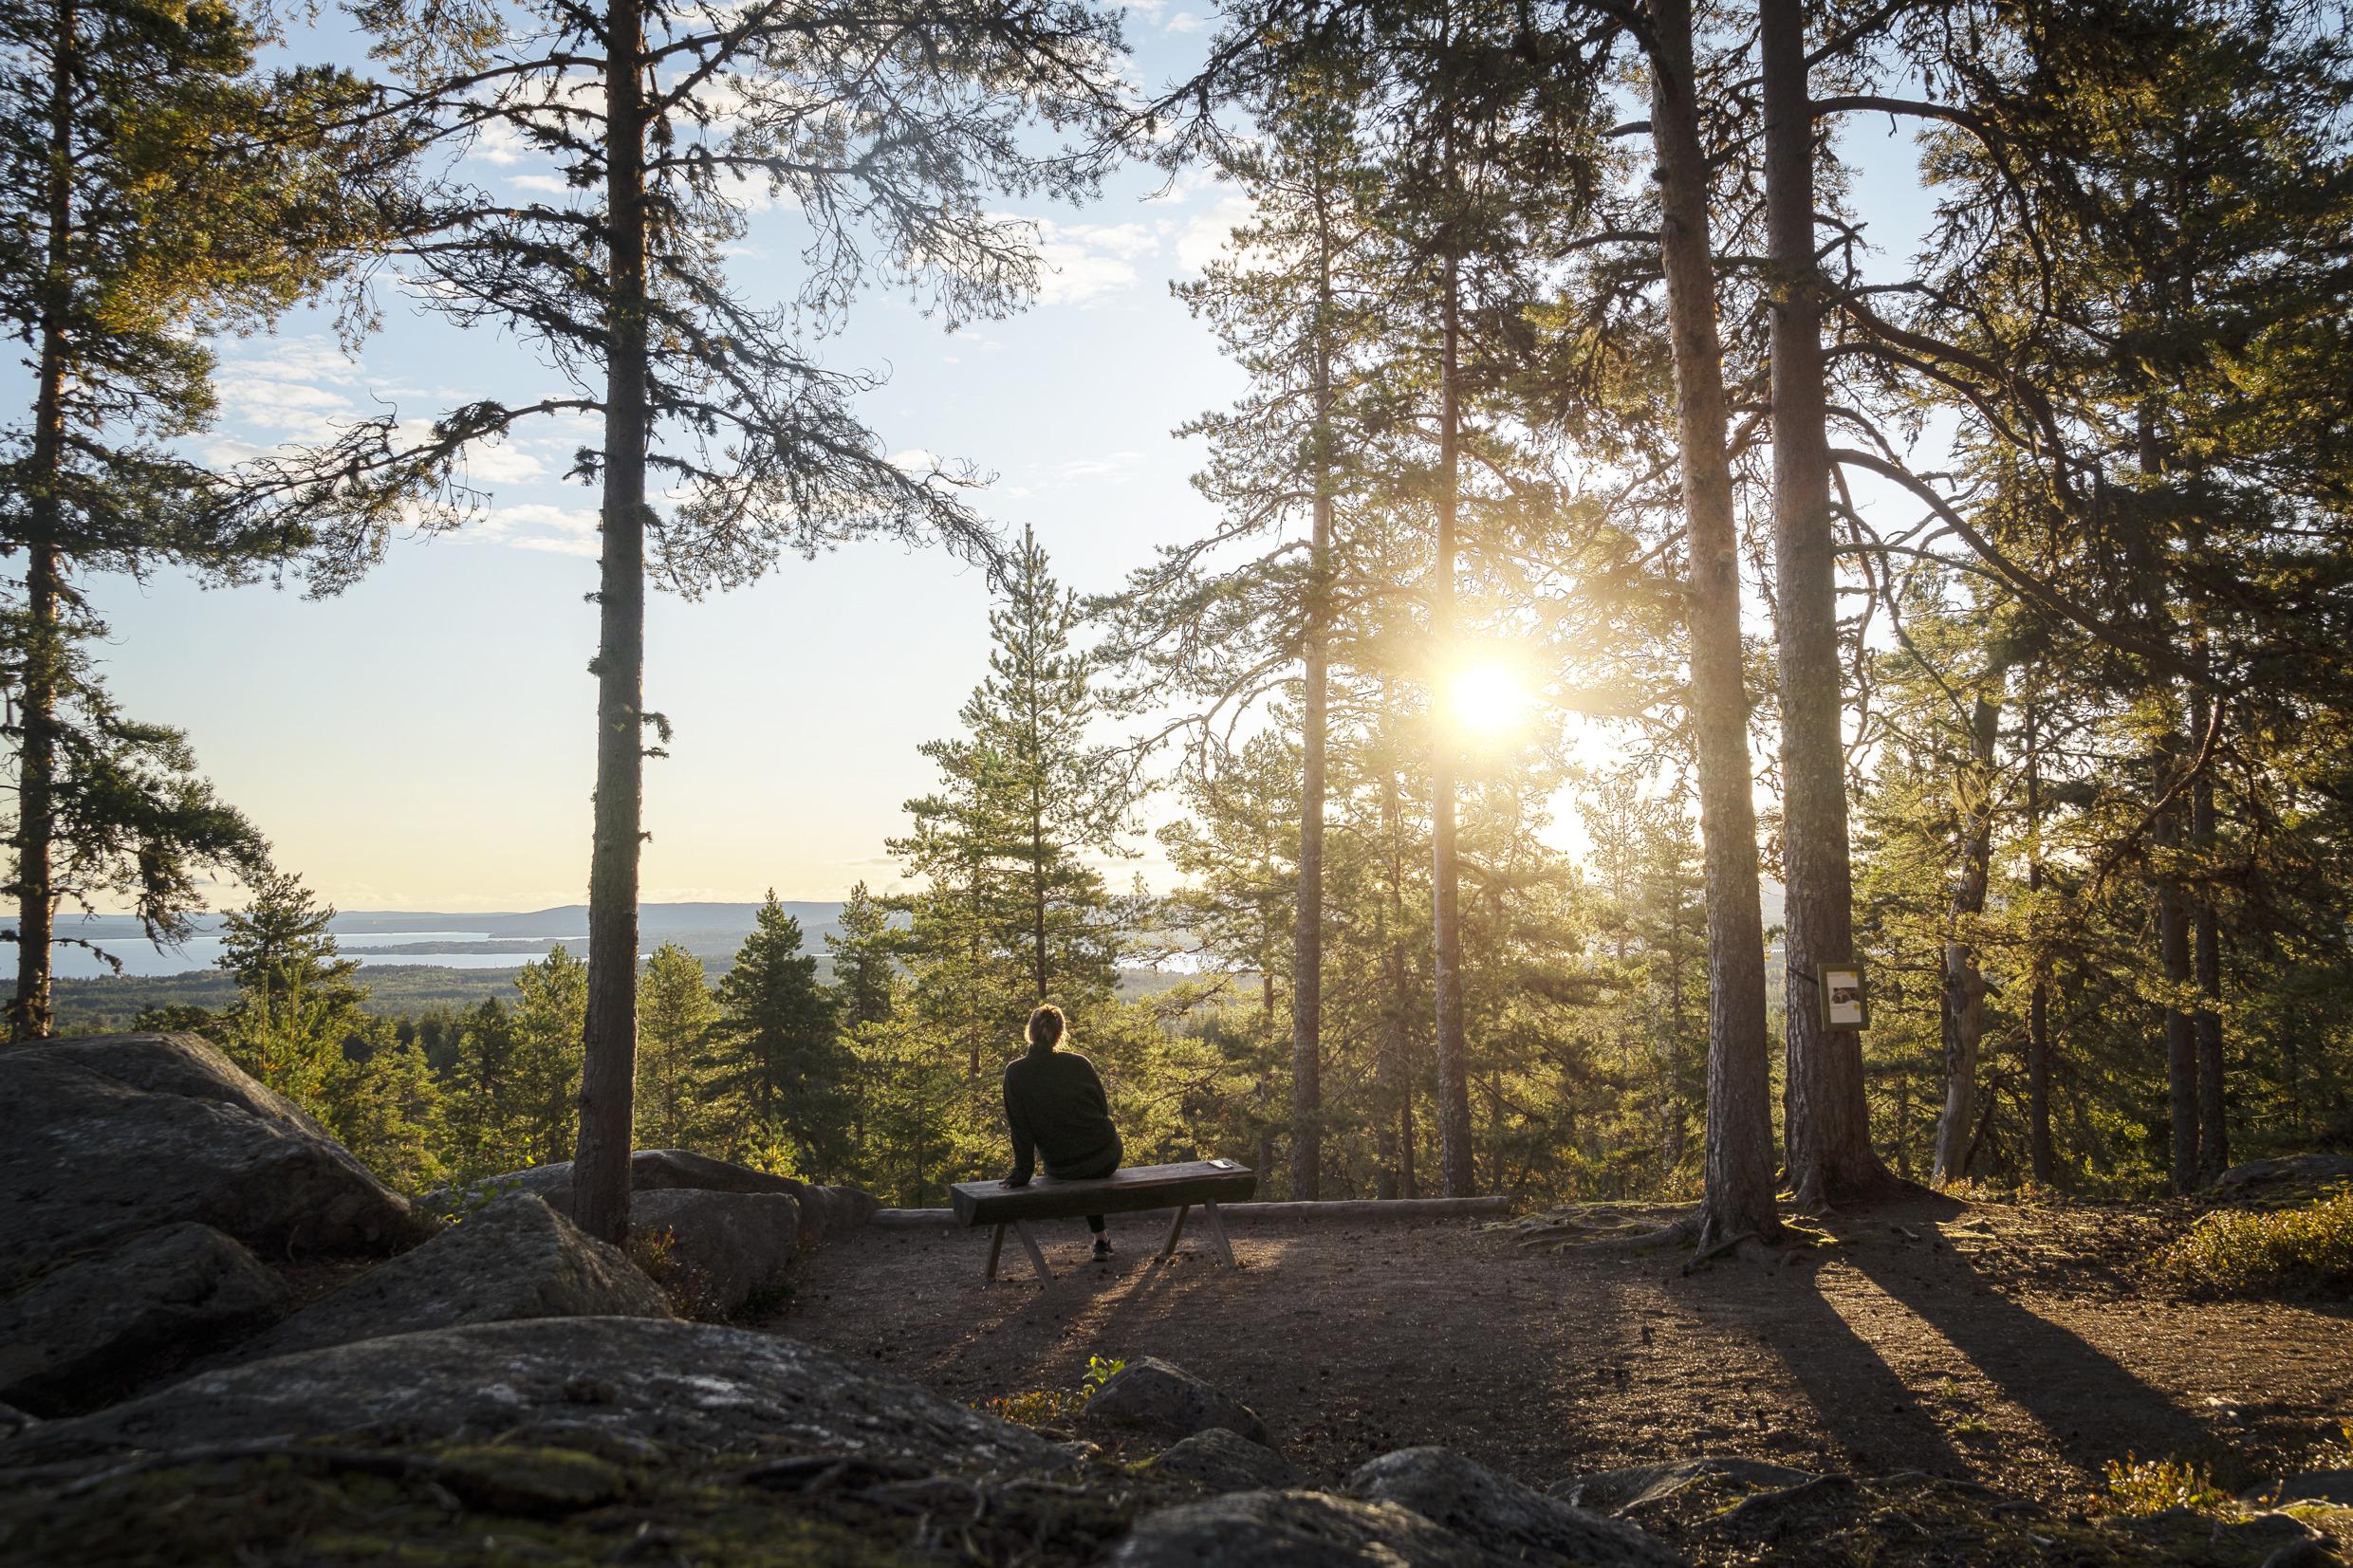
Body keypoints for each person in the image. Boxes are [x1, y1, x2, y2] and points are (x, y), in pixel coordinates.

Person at [1001, 1003, 1123, 1260]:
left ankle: (1101, 1239)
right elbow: (1103, 1109)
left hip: (1063, 1164)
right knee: (1087, 1169)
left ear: (1030, 1032)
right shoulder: (1079, 1064)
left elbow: (1020, 1129)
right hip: (1105, 1154)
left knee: (1078, 1170)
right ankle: (1101, 1239)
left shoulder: (1015, 1073)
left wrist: (1022, 1173)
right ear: (1060, 1034)